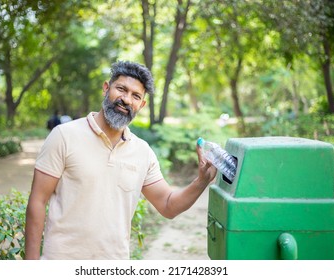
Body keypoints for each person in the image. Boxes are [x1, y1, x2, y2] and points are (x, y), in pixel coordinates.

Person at [25, 61, 217, 260]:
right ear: (106, 89)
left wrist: (201, 181)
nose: (126, 100)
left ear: (141, 105)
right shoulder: (64, 136)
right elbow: (37, 201)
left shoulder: (143, 152)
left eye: (136, 96)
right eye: (121, 89)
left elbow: (168, 205)